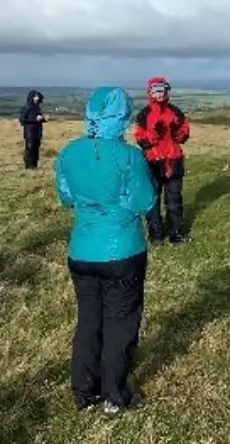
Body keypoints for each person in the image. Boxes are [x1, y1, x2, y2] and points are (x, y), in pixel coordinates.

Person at [54, 86, 156, 416]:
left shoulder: (69, 152)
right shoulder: (129, 156)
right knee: (120, 323)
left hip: (81, 251)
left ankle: (85, 392)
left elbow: (67, 197)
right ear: (122, 117)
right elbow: (143, 202)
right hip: (122, 251)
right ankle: (115, 395)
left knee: (88, 321)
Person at [133, 77, 191, 244]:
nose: (159, 93)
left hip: (173, 161)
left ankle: (176, 234)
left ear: (167, 91)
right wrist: (154, 134)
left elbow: (184, 135)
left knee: (174, 199)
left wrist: (176, 132)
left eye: (162, 89)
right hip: (152, 162)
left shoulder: (176, 112)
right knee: (153, 199)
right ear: (149, 92)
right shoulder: (144, 114)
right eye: (155, 90)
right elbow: (141, 140)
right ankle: (156, 236)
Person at [19, 89, 48, 169]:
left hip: (37, 131)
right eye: (35, 96)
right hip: (30, 132)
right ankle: (28, 167)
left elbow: (39, 118)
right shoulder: (26, 107)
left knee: (36, 149)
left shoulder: (37, 107)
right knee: (30, 149)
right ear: (32, 97)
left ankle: (34, 166)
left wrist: (43, 119)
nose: (37, 98)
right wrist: (35, 120)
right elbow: (22, 120)